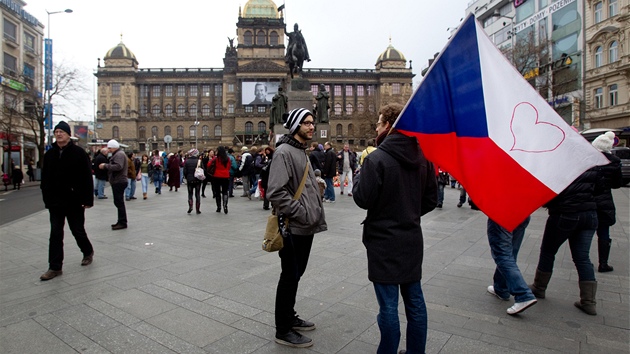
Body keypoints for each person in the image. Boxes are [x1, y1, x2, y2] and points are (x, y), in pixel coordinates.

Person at [352, 103, 437, 354]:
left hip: (382, 241)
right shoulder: (424, 158)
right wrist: (408, 213)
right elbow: (431, 200)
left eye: (378, 123)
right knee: (415, 303)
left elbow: (362, 199)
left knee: (388, 307)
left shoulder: (376, 158)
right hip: (411, 237)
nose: (376, 127)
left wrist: (359, 173)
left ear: (388, 125)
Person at [267, 108, 327, 348]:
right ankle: (283, 329)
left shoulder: (301, 150)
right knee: (289, 276)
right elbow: (276, 192)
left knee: (295, 275)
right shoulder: (284, 152)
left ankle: (289, 316)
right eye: (306, 123)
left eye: (312, 122)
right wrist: (302, 212)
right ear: (295, 126)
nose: (311, 126)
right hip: (294, 226)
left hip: (305, 226)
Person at [529, 167, 601, 315]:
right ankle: (589, 302)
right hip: (589, 215)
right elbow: (600, 190)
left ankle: (539, 288)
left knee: (548, 251)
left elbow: (549, 191)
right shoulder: (593, 164)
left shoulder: (561, 164)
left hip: (565, 214)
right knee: (582, 258)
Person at [39, 121, 94, 281]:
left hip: (74, 201)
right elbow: (45, 179)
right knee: (55, 233)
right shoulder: (49, 154)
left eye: (61, 132)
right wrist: (47, 198)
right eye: (56, 132)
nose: (58, 134)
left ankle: (87, 251)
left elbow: (86, 178)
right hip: (55, 202)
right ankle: (55, 267)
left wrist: (87, 200)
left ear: (68, 134)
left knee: (77, 230)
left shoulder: (78, 153)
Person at [486, 217, 537, 315]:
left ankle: (523, 294)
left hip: (502, 213)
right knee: (511, 252)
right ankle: (501, 288)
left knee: (502, 254)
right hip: (522, 211)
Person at [591, 132, 623, 272]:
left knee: (585, 232)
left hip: (589, 199)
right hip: (605, 201)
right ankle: (603, 263)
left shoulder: (590, 160)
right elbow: (617, 184)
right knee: (604, 232)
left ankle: (583, 261)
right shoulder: (614, 162)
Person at [99, 139, 128, 230]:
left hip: (119, 181)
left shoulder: (119, 154)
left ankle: (122, 222)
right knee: (118, 202)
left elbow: (118, 166)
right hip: (118, 180)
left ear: (113, 148)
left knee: (119, 202)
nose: (109, 150)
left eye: (109, 148)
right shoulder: (119, 154)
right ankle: (121, 221)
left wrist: (105, 166)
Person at [210, 146, 232, 214]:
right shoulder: (227, 159)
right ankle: (225, 205)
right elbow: (229, 167)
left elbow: (209, 164)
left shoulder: (216, 159)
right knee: (225, 191)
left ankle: (218, 207)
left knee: (217, 192)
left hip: (217, 176)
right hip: (225, 176)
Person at [183, 149, 202, 214]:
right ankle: (197, 209)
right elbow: (203, 170)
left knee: (190, 193)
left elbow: (185, 171)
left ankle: (190, 205)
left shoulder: (187, 161)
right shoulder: (199, 161)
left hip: (190, 180)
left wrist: (187, 177)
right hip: (197, 180)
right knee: (197, 194)